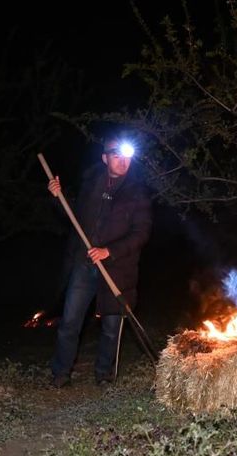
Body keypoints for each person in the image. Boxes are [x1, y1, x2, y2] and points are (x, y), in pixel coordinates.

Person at [46, 135, 152, 387]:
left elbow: (141, 234)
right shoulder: (91, 183)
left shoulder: (137, 193)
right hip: (84, 266)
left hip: (118, 270)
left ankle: (104, 376)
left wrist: (109, 251)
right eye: (116, 155)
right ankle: (60, 374)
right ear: (105, 158)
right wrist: (57, 196)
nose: (123, 161)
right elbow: (74, 217)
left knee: (111, 327)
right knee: (70, 321)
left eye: (126, 156)